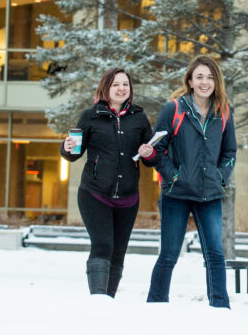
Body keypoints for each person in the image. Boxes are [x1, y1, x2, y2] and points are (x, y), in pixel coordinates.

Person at [147, 55, 237, 308]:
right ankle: (155, 305)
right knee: (168, 255)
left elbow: (230, 152)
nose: (205, 82)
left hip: (210, 194)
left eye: (210, 77)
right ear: (190, 80)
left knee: (216, 256)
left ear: (216, 81)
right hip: (176, 194)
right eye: (199, 77)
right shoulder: (173, 109)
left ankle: (220, 307)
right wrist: (173, 176)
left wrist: (220, 177)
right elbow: (158, 149)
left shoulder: (224, 112)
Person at [61, 67, 158, 296]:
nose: (121, 88)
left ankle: (108, 299)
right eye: (115, 84)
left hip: (128, 198)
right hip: (94, 194)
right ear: (106, 88)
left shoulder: (139, 118)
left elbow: (151, 159)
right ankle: (98, 299)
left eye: (125, 84)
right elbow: (74, 153)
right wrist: (65, 148)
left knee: (118, 252)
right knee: (103, 244)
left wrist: (149, 153)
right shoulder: (90, 116)